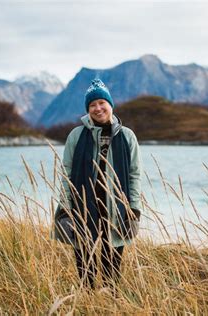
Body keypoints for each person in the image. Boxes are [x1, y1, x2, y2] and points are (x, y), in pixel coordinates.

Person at [51, 78, 142, 289]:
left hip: (116, 210)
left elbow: (134, 175)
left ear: (111, 105)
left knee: (112, 267)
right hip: (83, 208)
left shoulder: (127, 136)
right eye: (92, 105)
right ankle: (87, 302)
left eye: (102, 102)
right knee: (85, 267)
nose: (97, 108)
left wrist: (134, 209)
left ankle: (111, 303)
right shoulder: (76, 135)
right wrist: (65, 208)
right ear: (87, 109)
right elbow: (66, 173)